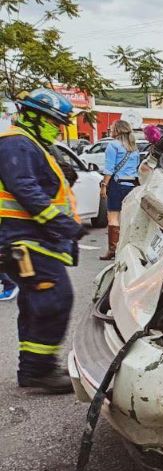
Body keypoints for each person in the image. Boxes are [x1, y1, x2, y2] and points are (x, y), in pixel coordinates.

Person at [0, 88, 87, 393]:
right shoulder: (16, 142)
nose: (59, 128)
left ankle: (32, 368)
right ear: (34, 117)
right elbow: (25, 189)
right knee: (55, 299)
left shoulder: (30, 143)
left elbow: (38, 183)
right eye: (54, 122)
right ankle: (40, 370)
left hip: (29, 240)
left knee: (35, 302)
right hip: (24, 240)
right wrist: (63, 225)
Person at [99, 120, 141, 261]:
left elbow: (109, 169)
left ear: (116, 131)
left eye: (112, 129)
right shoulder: (134, 148)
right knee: (128, 218)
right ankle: (127, 249)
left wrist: (104, 185)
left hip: (117, 185)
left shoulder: (113, 146)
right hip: (132, 185)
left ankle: (113, 249)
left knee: (113, 217)